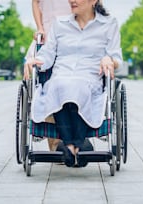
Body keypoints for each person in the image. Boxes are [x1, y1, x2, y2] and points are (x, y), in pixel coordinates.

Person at [24, 0, 122, 167]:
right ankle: (74, 145)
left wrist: (109, 59)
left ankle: (71, 145)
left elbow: (117, 58)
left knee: (78, 86)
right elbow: (48, 55)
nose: (71, 0)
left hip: (90, 78)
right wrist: (36, 60)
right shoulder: (60, 24)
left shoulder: (108, 24)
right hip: (60, 76)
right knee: (58, 85)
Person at [26, 0, 71, 151]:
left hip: (76, 34)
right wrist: (39, 27)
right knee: (48, 84)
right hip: (48, 34)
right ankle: (56, 144)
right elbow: (35, 2)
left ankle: (76, 139)